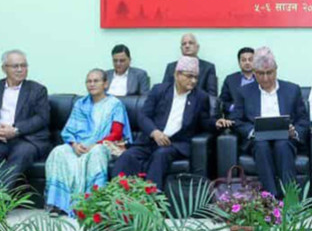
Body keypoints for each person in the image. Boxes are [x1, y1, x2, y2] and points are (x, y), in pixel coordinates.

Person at [114, 56, 213, 190]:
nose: (194, 81)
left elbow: (205, 122)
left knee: (160, 155)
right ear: (177, 74)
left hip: (174, 144)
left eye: (196, 77)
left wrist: (217, 123)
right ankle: (117, 194)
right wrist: (154, 132)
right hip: (150, 140)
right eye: (189, 76)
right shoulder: (159, 90)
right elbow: (143, 116)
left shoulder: (200, 97)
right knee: (127, 156)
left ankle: (151, 197)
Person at [44, 69, 132, 216]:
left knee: (97, 152)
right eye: (89, 81)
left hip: (103, 145)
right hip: (79, 145)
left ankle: (93, 203)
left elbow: (116, 133)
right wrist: (74, 145)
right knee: (58, 151)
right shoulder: (80, 104)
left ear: (105, 84)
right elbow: (69, 131)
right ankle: (57, 204)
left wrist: (95, 144)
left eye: (96, 81)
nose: (92, 84)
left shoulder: (115, 104)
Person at [230, 47, 310, 197]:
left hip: (286, 139)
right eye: (261, 73)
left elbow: (304, 120)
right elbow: (236, 120)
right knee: (261, 146)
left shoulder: (292, 90)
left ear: (276, 70)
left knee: (282, 145)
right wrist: (252, 131)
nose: (266, 78)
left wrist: (295, 132)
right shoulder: (244, 92)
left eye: (269, 73)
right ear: (254, 72)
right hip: (257, 140)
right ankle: (271, 198)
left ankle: (290, 198)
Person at [0, 49, 51, 190]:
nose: (20, 69)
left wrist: (15, 130)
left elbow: (42, 118)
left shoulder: (38, 90)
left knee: (21, 154)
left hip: (26, 138)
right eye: (15, 66)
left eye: (23, 65)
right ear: (4, 68)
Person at [161, 33, 218, 97]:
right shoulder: (171, 67)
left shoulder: (208, 68)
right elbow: (164, 91)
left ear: (197, 47)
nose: (187, 46)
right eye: (184, 44)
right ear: (181, 49)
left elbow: (212, 96)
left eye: (191, 43)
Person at [216, 47, 256, 129]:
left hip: (255, 117)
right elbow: (222, 101)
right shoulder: (230, 79)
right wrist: (233, 107)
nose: (247, 62)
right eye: (244, 60)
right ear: (239, 62)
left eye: (250, 59)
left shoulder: (261, 79)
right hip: (235, 119)